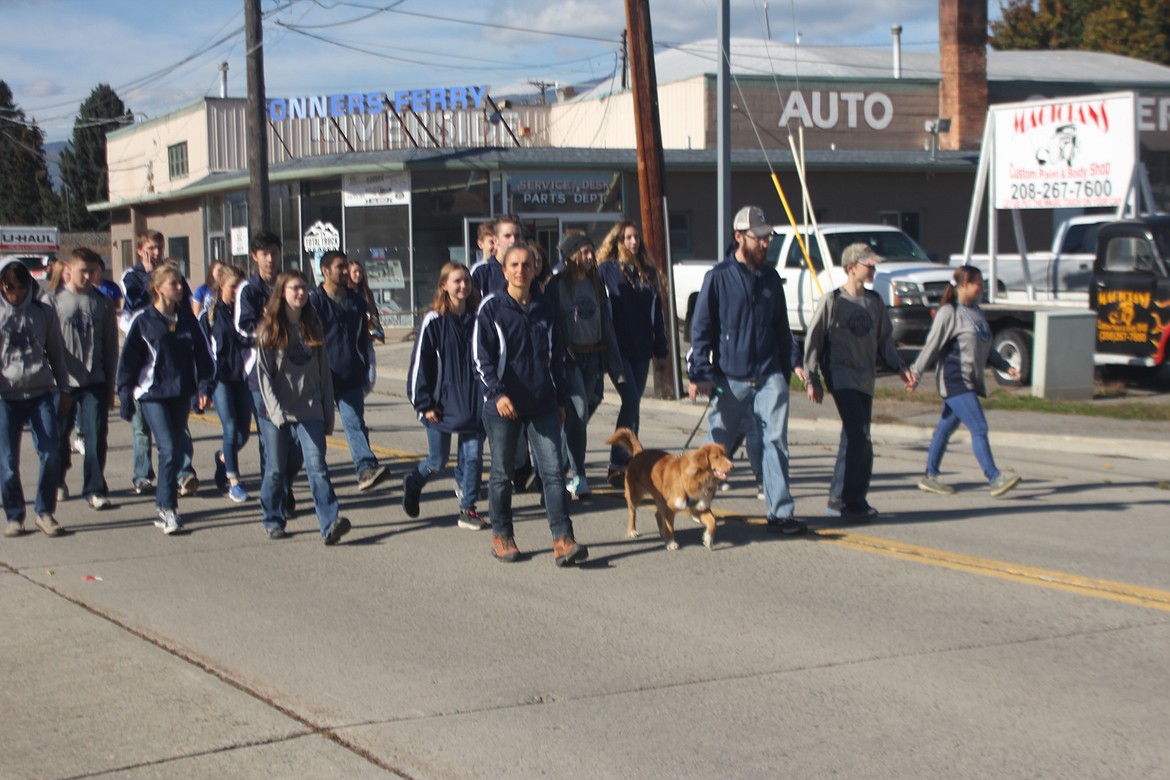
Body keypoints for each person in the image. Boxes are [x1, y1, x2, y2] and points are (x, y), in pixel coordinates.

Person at [688, 205, 805, 534]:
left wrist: (793, 362)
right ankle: (699, 503)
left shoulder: (770, 279)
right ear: (739, 237)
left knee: (775, 442)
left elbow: (782, 328)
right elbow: (702, 331)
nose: (766, 244)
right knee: (715, 445)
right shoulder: (718, 278)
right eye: (759, 238)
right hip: (730, 378)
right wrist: (700, 373)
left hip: (769, 376)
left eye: (769, 237)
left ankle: (780, 513)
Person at [473, 243, 588, 566]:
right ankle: (502, 535)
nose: (521, 270)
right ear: (505, 269)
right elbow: (480, 359)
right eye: (514, 265)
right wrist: (497, 394)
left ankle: (563, 539)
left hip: (543, 403)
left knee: (553, 473)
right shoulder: (491, 308)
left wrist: (561, 399)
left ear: (535, 268)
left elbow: (556, 357)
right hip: (503, 407)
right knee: (501, 474)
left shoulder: (545, 308)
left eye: (526, 265)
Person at [804, 243, 915, 521]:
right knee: (859, 435)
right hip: (841, 375)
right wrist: (812, 378)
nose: (873, 269)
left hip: (866, 377)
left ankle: (841, 498)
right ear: (851, 267)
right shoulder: (833, 301)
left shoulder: (874, 302)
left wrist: (900, 366)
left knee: (856, 437)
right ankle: (849, 500)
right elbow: (813, 341)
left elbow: (884, 341)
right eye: (869, 264)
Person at [910, 264, 1022, 497]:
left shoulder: (977, 312)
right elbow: (931, 347)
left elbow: (987, 346)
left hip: (970, 380)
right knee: (979, 427)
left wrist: (1006, 367)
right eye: (978, 284)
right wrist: (915, 374)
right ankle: (994, 477)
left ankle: (930, 476)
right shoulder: (949, 313)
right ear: (963, 285)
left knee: (945, 428)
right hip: (955, 379)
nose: (981, 288)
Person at [116, 265, 213, 535]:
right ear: (157, 288)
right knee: (169, 448)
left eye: (181, 283)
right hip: (152, 394)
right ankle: (167, 509)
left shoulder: (187, 320)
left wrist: (204, 386)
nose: (180, 288)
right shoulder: (144, 321)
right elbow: (128, 363)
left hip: (180, 392)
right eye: (173, 284)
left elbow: (203, 356)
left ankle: (165, 504)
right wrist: (125, 395)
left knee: (174, 449)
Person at [255, 271, 350, 545]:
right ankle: (273, 518)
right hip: (277, 412)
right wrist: (276, 414)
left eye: (304, 288)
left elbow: (324, 374)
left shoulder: (313, 327)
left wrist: (327, 413)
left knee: (317, 466)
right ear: (282, 293)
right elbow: (264, 378)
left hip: (310, 410)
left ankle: (330, 523)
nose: (301, 293)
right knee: (275, 469)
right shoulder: (269, 331)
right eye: (295, 288)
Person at [403, 262, 487, 530]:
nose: (463, 286)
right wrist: (424, 403)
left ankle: (468, 508)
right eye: (457, 281)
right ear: (444, 286)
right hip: (440, 403)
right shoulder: (434, 320)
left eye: (466, 281)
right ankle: (414, 482)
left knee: (473, 456)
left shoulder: (480, 317)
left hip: (474, 402)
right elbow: (420, 365)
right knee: (438, 461)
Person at [545, 232, 625, 499]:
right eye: (585, 252)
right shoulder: (556, 286)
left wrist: (614, 366)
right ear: (571, 256)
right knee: (578, 412)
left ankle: (557, 468)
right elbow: (551, 327)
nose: (591, 257)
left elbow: (609, 325)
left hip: (593, 357)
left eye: (592, 251)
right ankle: (577, 475)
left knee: (577, 419)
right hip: (569, 359)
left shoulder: (596, 283)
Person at [120, 232, 199, 496]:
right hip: (146, 357)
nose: (156, 251)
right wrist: (124, 392)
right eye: (151, 247)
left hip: (172, 361)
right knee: (143, 428)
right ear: (140, 249)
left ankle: (184, 472)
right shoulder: (131, 276)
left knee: (177, 435)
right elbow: (133, 301)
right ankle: (143, 475)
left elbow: (186, 305)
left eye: (159, 247)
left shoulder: (174, 276)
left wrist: (203, 385)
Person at [596, 221, 669, 488]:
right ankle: (618, 463)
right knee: (631, 403)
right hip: (617, 349)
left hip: (642, 349)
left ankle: (630, 464)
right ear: (617, 242)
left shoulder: (648, 273)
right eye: (627, 237)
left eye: (636, 237)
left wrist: (660, 350)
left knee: (634, 408)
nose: (633, 242)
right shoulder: (606, 271)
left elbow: (657, 315)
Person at [0, 259, 69, 538]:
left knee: (51, 452)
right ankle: (15, 515)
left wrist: (64, 389)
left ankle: (45, 512)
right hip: (6, 397)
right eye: (9, 288)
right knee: (6, 462)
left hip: (41, 392)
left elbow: (56, 352)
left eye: (21, 287)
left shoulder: (43, 312)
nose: (15, 293)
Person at [309, 250, 388, 492]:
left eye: (346, 267)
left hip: (351, 374)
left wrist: (365, 362)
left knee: (354, 423)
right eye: (340, 267)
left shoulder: (357, 300)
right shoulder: (314, 302)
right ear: (325, 271)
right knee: (309, 432)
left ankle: (365, 469)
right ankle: (285, 478)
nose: (345, 272)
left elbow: (365, 333)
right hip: (320, 377)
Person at [235, 231, 302, 514]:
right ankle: (277, 501)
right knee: (271, 440)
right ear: (255, 256)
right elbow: (242, 326)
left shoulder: (287, 285)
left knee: (298, 441)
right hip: (260, 375)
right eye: (264, 254)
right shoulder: (248, 290)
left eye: (274, 252)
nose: (270, 259)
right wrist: (271, 330)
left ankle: (281, 485)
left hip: (292, 373)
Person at [52, 248, 118, 511]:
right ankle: (57, 480)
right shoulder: (52, 302)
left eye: (92, 272)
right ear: (70, 268)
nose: (88, 276)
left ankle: (94, 488)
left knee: (95, 437)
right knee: (58, 436)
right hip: (63, 382)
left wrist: (110, 385)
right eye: (83, 271)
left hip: (96, 382)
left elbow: (111, 347)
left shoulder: (102, 303)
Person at [201, 263, 252, 503]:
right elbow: (202, 352)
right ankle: (235, 482)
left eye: (241, 287)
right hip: (220, 378)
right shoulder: (209, 315)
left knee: (243, 434)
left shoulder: (246, 312)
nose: (237, 291)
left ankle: (223, 457)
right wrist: (204, 387)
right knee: (230, 428)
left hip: (242, 378)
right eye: (233, 286)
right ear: (222, 286)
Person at [470, 214, 521, 297]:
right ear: (496, 240)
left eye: (517, 236)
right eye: (507, 236)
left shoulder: (528, 269)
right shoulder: (481, 271)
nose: (513, 240)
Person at [346, 259, 384, 344]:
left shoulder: (367, 291)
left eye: (360, 272)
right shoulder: (345, 292)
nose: (358, 274)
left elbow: (373, 312)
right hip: (352, 336)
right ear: (348, 273)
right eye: (355, 272)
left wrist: (376, 328)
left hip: (367, 336)